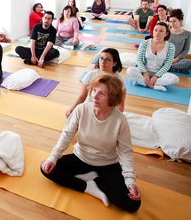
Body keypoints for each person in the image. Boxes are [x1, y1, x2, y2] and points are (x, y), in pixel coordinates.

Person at [40, 75, 141, 212]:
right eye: (94, 91)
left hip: (108, 164)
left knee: (133, 204)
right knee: (46, 168)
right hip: (81, 157)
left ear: (112, 98)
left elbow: (125, 152)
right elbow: (66, 135)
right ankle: (88, 187)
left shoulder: (120, 120)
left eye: (102, 93)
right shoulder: (81, 109)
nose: (95, 96)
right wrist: (53, 157)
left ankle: (96, 180)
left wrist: (130, 181)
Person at [65, 48, 126, 118]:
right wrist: (72, 109)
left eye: (108, 60)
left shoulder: (119, 80)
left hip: (107, 111)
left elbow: (120, 105)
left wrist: (114, 119)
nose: (103, 62)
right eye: (101, 58)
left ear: (115, 63)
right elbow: (81, 97)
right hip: (90, 108)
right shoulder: (90, 75)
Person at [127, 22, 179, 91]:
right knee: (130, 70)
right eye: (156, 30)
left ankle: (142, 82)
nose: (157, 33)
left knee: (175, 79)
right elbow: (139, 60)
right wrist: (145, 73)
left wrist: (156, 76)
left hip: (160, 74)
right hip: (143, 71)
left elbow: (168, 64)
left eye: (161, 31)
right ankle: (153, 85)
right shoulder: (144, 43)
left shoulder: (171, 46)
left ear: (166, 33)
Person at [168, 9, 191, 74]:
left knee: (189, 63)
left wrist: (177, 59)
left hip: (178, 60)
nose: (172, 23)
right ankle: (172, 68)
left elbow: (186, 49)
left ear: (180, 21)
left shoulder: (187, 34)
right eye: (170, 21)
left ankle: (169, 67)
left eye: (174, 21)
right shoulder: (166, 31)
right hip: (165, 58)